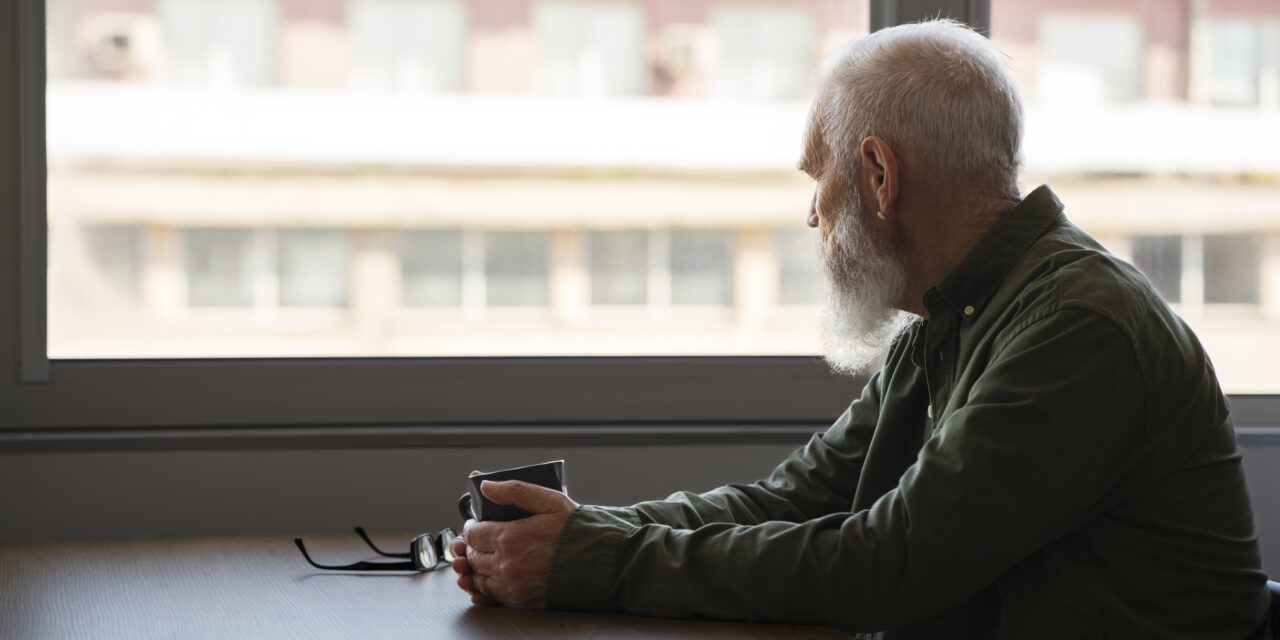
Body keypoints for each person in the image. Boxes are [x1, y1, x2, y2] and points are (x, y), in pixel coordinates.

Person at [450, 19, 1272, 638]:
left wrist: (596, 562)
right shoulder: (950, 316)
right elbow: (798, 497)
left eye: (821, 176)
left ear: (880, 174)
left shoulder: (1078, 330)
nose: (812, 213)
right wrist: (589, 533)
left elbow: (889, 565)